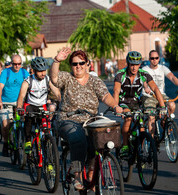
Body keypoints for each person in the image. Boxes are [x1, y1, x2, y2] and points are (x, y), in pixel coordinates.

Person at [50, 47, 123, 190]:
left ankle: (91, 172)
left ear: (88, 64)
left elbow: (105, 96)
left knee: (100, 139)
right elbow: (54, 78)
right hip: (68, 118)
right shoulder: (67, 78)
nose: (78, 66)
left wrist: (115, 106)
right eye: (75, 64)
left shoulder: (95, 81)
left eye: (81, 63)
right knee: (78, 137)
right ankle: (76, 174)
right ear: (71, 66)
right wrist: (57, 60)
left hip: (90, 120)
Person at [113, 51, 166, 157]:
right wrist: (116, 106)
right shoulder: (120, 75)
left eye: (136, 65)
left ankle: (140, 151)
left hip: (136, 103)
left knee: (141, 126)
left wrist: (162, 106)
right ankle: (125, 145)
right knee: (128, 119)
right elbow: (116, 91)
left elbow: (155, 88)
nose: (134, 68)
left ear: (140, 64)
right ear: (128, 63)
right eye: (132, 64)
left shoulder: (143, 74)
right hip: (124, 102)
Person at [17, 57, 60, 153]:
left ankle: (48, 153)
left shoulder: (47, 79)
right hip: (30, 105)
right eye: (40, 71)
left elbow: (57, 92)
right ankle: (28, 141)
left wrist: (62, 102)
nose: (43, 73)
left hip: (42, 106)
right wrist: (19, 108)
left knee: (46, 128)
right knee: (28, 120)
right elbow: (21, 96)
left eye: (44, 70)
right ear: (34, 71)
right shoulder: (27, 81)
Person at [141, 50, 178, 137]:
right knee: (151, 117)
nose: (154, 60)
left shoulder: (163, 68)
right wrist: (146, 87)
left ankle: (164, 121)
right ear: (149, 59)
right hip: (149, 95)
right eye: (152, 58)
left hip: (161, 95)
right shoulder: (145, 69)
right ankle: (152, 144)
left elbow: (173, 77)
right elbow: (143, 80)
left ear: (159, 58)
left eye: (156, 58)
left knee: (172, 105)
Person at [0, 55, 29, 156]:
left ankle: (22, 141)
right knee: (5, 125)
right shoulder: (5, 72)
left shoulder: (24, 73)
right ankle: (6, 143)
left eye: (19, 64)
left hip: (20, 102)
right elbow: (0, 87)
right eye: (15, 64)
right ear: (11, 63)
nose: (17, 66)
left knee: (23, 123)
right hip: (6, 102)